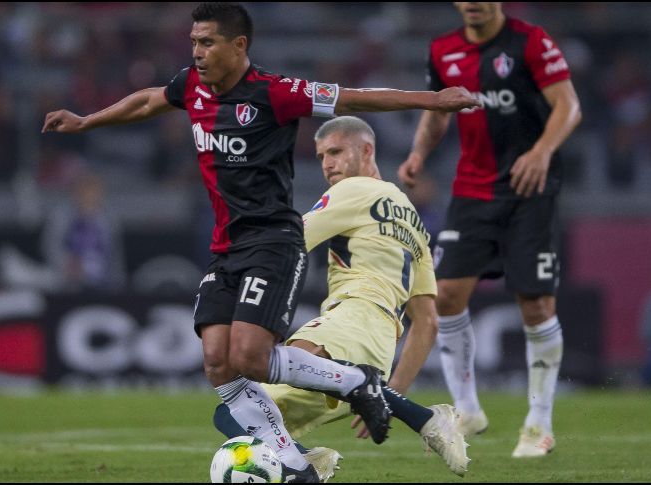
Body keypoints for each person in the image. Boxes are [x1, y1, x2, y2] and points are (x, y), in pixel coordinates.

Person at [43, 3, 481, 481]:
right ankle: (296, 467)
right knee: (218, 362)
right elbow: (148, 100)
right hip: (226, 247)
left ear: (239, 46)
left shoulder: (277, 93)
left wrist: (431, 101)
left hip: (274, 242)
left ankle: (358, 383)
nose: (197, 52)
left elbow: (354, 99)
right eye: (193, 42)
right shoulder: (190, 84)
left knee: (251, 357)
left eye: (207, 43)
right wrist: (87, 121)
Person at [212, 116, 469, 480]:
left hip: (353, 315)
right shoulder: (412, 218)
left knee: (260, 375)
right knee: (237, 412)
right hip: (379, 345)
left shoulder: (354, 190)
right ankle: (307, 463)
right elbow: (426, 321)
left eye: (335, 151)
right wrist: (389, 394)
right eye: (320, 156)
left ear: (366, 150)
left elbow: (288, 244)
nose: (327, 164)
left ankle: (425, 419)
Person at [398, 2, 582, 458]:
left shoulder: (531, 42)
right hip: (472, 190)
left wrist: (541, 151)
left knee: (536, 304)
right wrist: (419, 154)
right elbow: (438, 112)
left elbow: (569, 105)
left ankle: (539, 424)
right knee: (445, 296)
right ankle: (467, 409)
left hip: (529, 189)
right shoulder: (443, 50)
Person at [41, 172, 126, 293]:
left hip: (103, 279)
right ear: (76, 193)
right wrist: (66, 263)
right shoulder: (61, 216)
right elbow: (51, 246)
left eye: (94, 191)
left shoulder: (109, 218)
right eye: (85, 191)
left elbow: (115, 254)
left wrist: (118, 282)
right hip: (68, 279)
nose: (90, 195)